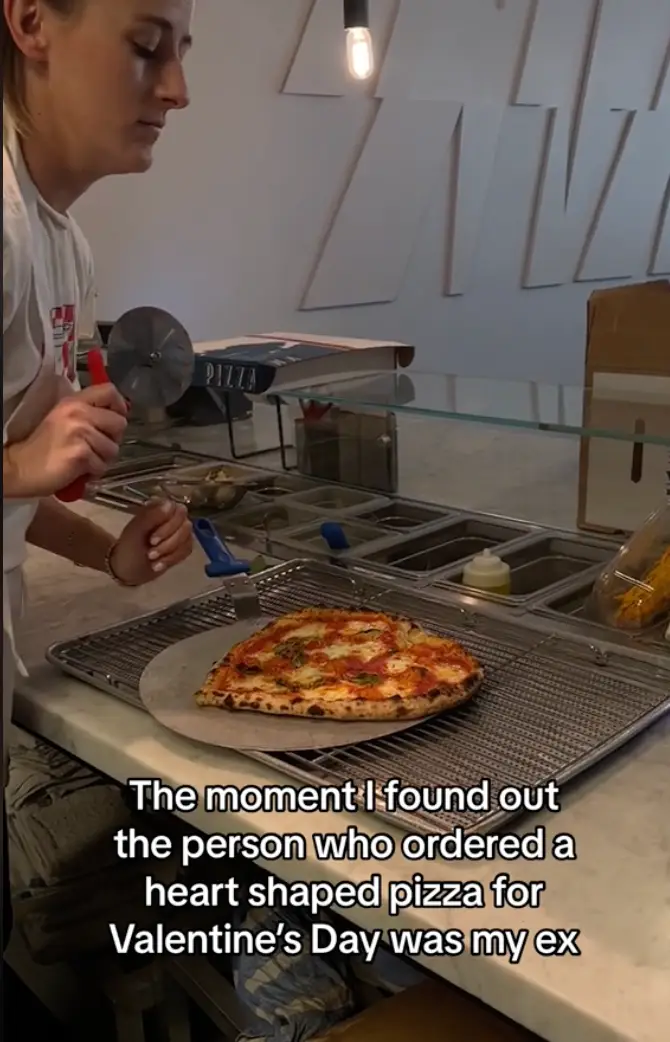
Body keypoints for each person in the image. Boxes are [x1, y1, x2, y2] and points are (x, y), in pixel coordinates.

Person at [2, 0, 195, 1028]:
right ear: (31, 22)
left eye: (181, 53)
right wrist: (25, 461)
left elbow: (14, 483)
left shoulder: (60, 244)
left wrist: (105, 549)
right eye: (143, 46)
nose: (175, 90)